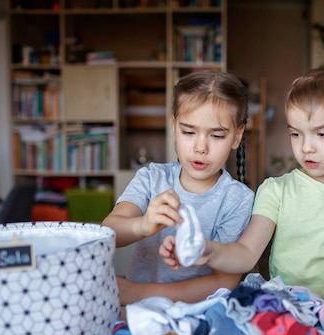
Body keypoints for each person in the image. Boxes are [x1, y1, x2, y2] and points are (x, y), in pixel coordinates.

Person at [160, 68, 324, 300]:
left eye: (322, 134)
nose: (306, 147)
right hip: (287, 312)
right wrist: (208, 250)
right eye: (296, 134)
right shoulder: (276, 191)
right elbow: (246, 254)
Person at [103, 70, 254, 305]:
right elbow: (108, 232)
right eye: (189, 132)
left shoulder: (238, 199)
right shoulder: (152, 178)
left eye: (216, 136)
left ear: (237, 136)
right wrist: (142, 225)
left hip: (197, 315)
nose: (200, 147)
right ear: (174, 127)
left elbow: (224, 282)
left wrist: (139, 293)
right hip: (138, 312)